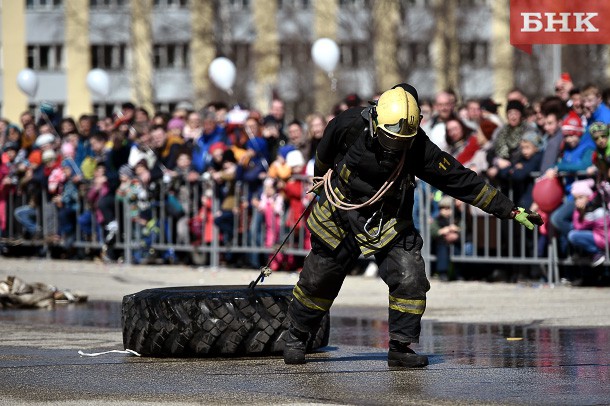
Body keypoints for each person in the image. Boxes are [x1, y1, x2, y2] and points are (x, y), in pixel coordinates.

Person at [283, 84, 543, 368]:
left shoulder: (417, 145)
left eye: (401, 141)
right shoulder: (348, 124)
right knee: (319, 278)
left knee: (410, 276)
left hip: (388, 218)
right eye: (391, 139)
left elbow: (459, 180)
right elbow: (322, 156)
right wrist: (322, 184)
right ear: (377, 121)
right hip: (340, 213)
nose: (396, 147)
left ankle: (400, 346)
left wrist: (509, 209)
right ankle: (296, 337)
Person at [567, 179, 608, 267]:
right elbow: (577, 225)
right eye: (575, 199)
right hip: (600, 237)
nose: (578, 201)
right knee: (572, 229)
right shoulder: (585, 208)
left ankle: (598, 252)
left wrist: (581, 212)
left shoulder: (594, 208)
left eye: (580, 197)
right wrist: (580, 212)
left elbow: (579, 227)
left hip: (605, 238)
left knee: (573, 235)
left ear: (588, 196)